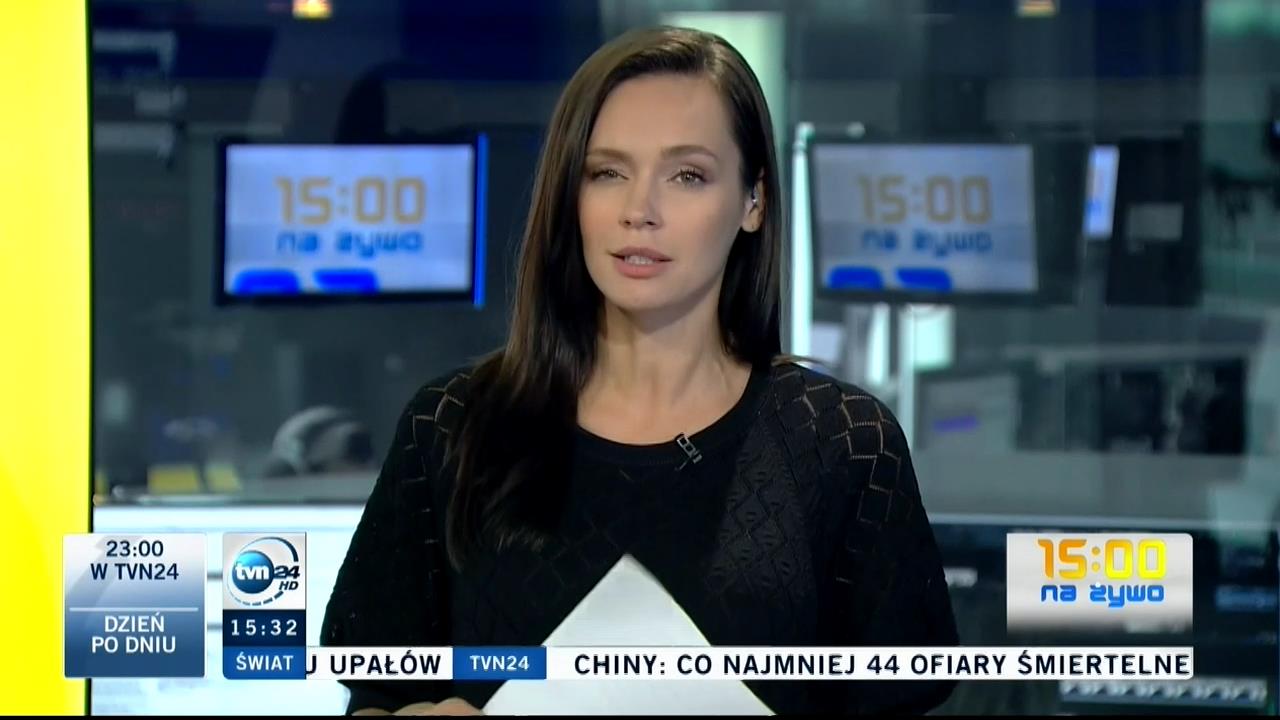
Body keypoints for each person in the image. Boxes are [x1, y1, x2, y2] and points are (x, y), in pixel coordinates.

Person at [320, 25, 958, 716]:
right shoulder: (451, 427)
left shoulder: (843, 446)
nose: (639, 211)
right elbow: (376, 693)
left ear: (753, 201)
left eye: (687, 176)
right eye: (607, 173)